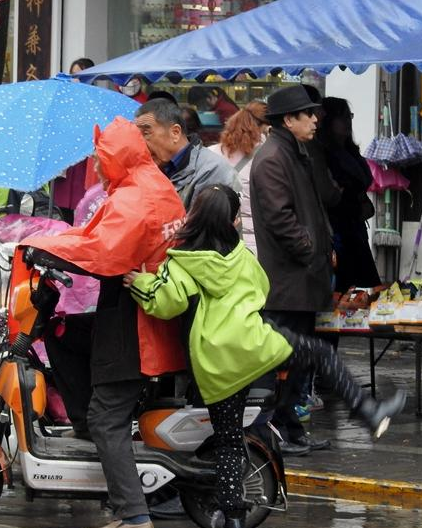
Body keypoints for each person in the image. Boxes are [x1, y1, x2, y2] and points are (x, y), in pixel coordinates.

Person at [123, 185, 406, 528]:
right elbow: (261, 288)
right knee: (318, 352)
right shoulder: (240, 254)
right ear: (230, 220)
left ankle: (234, 519)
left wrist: (141, 282)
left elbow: (169, 303)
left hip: (217, 364)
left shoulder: (180, 260)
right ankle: (367, 410)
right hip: (257, 347)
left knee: (227, 441)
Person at [23, 117, 187, 528]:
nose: (95, 165)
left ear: (117, 157)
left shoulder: (136, 196)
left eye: (100, 157)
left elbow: (102, 251)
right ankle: (82, 427)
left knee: (107, 417)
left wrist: (39, 244)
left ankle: (133, 515)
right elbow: (96, 237)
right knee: (62, 333)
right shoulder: (146, 184)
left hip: (136, 319)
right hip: (139, 307)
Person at [249, 85, 333, 455]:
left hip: (302, 278)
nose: (315, 119)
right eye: (307, 113)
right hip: (287, 281)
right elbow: (281, 218)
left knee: (296, 360)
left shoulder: (294, 150)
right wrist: (310, 250)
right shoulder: (272, 157)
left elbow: (313, 207)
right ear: (289, 119)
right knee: (281, 360)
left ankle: (290, 427)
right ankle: (272, 433)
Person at [317, 97, 380, 291]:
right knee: (345, 286)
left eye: (349, 116)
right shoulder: (323, 153)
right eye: (342, 117)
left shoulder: (350, 150)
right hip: (337, 230)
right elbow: (332, 193)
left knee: (360, 286)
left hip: (355, 227)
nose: (348, 122)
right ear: (328, 120)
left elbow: (366, 180)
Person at [134, 98, 240, 210]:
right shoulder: (150, 167)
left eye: (146, 133)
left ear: (175, 132)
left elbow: (205, 225)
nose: (141, 141)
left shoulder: (213, 170)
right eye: (137, 134)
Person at [208, 100, 269, 254]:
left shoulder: (210, 153)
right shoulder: (268, 156)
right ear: (264, 127)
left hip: (217, 241)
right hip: (255, 243)